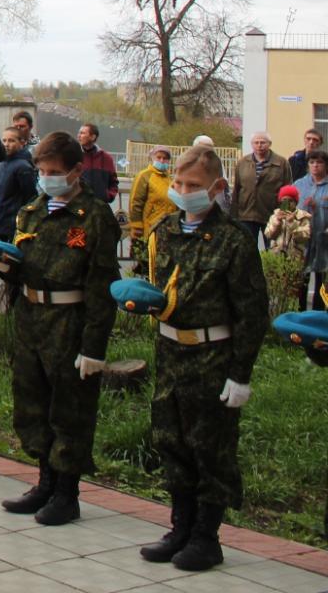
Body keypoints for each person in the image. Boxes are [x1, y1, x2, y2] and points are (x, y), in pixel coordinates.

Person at [135, 145, 265, 573]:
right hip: (171, 351)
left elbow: (251, 312)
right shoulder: (166, 229)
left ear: (217, 188)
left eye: (193, 186)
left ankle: (207, 537)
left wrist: (240, 374)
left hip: (212, 357)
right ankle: (180, 527)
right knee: (171, 442)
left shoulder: (233, 241)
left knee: (210, 448)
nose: (182, 191)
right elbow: (161, 289)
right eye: (177, 183)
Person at [0, 131, 120, 525]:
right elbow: (24, 263)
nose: (46, 179)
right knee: (33, 403)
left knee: (69, 409)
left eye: (54, 172)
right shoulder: (32, 210)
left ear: (76, 171)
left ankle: (67, 492)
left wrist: (94, 347)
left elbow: (102, 286)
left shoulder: (95, 217)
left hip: (71, 320)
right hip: (32, 317)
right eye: (41, 172)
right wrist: (5, 268)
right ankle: (45, 481)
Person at [232, 132, 288, 245]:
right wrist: (233, 216)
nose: (259, 145)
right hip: (246, 215)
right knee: (248, 251)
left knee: (273, 249)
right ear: (252, 144)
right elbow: (236, 190)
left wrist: (283, 213)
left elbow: (287, 191)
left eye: (263, 142)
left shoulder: (281, 163)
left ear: (269, 144)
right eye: (256, 143)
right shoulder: (242, 163)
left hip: (271, 216)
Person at [291, 151, 328, 310]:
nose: (315, 165)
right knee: (300, 279)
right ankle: (299, 313)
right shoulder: (299, 185)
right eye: (312, 162)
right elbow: (289, 209)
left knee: (322, 279)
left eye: (319, 162)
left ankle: (319, 315)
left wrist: (318, 206)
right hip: (303, 240)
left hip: (324, 240)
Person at [265, 185, 312, 304]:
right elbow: (269, 234)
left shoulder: (303, 217)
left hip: (295, 259)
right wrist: (277, 222)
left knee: (294, 293)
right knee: (277, 291)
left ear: (295, 201)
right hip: (278, 258)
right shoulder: (275, 216)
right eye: (284, 200)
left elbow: (306, 235)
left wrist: (292, 223)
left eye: (290, 200)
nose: (287, 203)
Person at [0, 126, 37, 243]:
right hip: (1, 222)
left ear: (22, 143)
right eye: (4, 140)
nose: (6, 144)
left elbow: (30, 197)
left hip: (14, 225)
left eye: (11, 141)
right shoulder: (3, 163)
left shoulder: (23, 167)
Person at [129, 146, 176, 259]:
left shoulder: (170, 178)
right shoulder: (144, 175)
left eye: (165, 158)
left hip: (168, 228)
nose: (162, 160)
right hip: (150, 227)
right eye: (158, 157)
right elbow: (136, 202)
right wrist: (136, 227)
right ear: (152, 158)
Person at [75, 124, 118, 204]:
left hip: (100, 208)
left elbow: (113, 182)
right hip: (79, 207)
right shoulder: (74, 156)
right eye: (79, 133)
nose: (79, 136)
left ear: (93, 137)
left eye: (82, 133)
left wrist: (108, 196)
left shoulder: (106, 158)